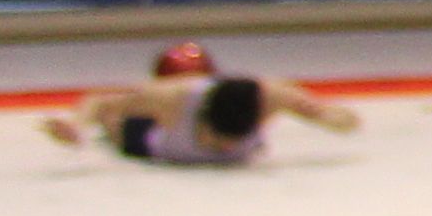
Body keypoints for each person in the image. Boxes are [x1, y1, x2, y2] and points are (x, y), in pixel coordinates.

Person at [45, 46, 357, 166]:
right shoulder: (172, 97)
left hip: (182, 121)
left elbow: (332, 114)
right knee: (117, 124)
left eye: (234, 141)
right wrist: (75, 126)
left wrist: (337, 118)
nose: (223, 149)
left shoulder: (270, 95)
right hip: (158, 141)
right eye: (218, 140)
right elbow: (99, 101)